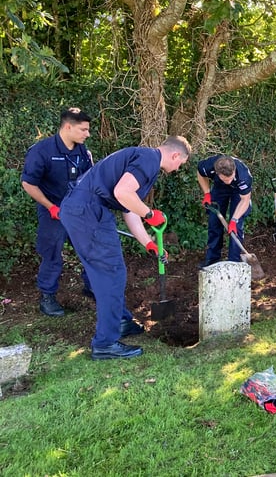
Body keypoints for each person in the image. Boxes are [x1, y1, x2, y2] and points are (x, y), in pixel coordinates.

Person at [60, 136, 192, 360]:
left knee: (108, 272)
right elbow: (123, 193)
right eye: (181, 164)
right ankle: (105, 343)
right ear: (175, 155)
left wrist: (148, 243)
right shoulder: (150, 159)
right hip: (89, 212)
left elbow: (128, 208)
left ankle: (121, 322)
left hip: (82, 210)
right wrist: (150, 214)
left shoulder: (142, 158)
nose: (178, 168)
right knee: (111, 274)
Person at [21, 107, 95, 317]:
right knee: (52, 253)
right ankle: (47, 297)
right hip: (52, 210)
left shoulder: (83, 152)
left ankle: (92, 287)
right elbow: (28, 184)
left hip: (77, 211)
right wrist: (51, 206)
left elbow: (90, 181)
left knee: (89, 248)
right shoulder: (42, 151)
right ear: (68, 127)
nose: (87, 134)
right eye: (83, 130)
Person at [197, 155, 253, 267]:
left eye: (230, 178)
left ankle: (234, 262)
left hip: (238, 193)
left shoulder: (244, 176)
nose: (228, 181)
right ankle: (212, 260)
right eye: (225, 179)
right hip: (219, 189)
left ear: (234, 170)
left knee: (236, 227)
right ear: (217, 173)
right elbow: (200, 173)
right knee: (214, 222)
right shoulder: (208, 165)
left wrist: (233, 220)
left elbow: (245, 200)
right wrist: (207, 193)